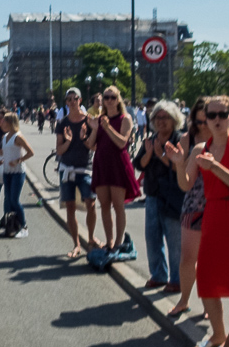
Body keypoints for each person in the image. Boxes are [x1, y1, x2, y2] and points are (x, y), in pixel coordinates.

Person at [167, 95, 229, 347]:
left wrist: (215, 166)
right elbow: (185, 185)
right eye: (212, 115)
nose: (217, 120)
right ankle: (217, 334)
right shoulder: (198, 149)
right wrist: (179, 163)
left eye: (223, 114)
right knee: (206, 281)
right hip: (213, 214)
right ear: (204, 118)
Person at [168, 97, 212, 317]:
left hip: (217, 206)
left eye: (208, 119)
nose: (204, 125)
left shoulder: (223, 138)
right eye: (200, 120)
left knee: (210, 260)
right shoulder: (188, 139)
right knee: (188, 259)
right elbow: (184, 182)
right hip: (194, 203)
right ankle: (184, 300)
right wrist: (178, 162)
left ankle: (210, 305)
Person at [136, 100, 186, 291]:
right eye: (158, 118)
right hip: (153, 194)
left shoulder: (180, 140)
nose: (161, 122)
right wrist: (150, 153)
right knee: (152, 236)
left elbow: (182, 169)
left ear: (174, 121)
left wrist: (161, 154)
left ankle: (177, 280)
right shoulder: (151, 139)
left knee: (174, 240)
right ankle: (158, 275)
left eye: (166, 118)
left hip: (174, 196)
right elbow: (139, 164)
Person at [89, 85, 140, 252]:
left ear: (118, 100)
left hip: (118, 164)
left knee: (118, 205)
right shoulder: (100, 119)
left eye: (112, 97)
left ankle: (118, 241)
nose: (109, 100)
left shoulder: (125, 119)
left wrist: (108, 127)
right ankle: (109, 240)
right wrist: (91, 130)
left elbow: (122, 143)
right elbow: (91, 145)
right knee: (104, 204)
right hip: (102, 164)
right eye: (106, 97)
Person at [55, 88, 98, 257]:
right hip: (67, 169)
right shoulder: (62, 123)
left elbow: (94, 147)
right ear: (66, 102)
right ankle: (76, 244)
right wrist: (70, 141)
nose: (72, 102)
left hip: (85, 168)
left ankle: (91, 238)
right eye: (69, 99)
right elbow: (59, 150)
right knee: (70, 207)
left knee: (91, 202)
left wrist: (83, 138)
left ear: (80, 100)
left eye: (75, 98)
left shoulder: (89, 121)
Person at [0, 112, 34, 237]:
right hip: (6, 171)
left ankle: (24, 226)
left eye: (4, 121)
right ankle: (12, 225)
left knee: (14, 199)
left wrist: (18, 160)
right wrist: (3, 160)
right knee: (8, 200)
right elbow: (9, 152)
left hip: (18, 172)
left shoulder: (18, 137)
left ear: (10, 123)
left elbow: (31, 152)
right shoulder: (5, 137)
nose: (2, 123)